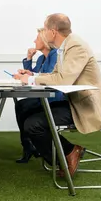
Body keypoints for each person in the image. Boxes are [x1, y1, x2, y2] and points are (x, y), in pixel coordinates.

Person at [15, 13, 101, 177]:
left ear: (53, 31)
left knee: (33, 124)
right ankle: (63, 156)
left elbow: (62, 79)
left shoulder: (76, 46)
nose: (43, 34)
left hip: (87, 106)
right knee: (27, 112)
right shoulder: (65, 46)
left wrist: (30, 78)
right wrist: (31, 77)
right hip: (75, 102)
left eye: (44, 29)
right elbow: (54, 74)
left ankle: (69, 153)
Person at [14, 28, 64, 163]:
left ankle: (29, 146)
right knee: (21, 105)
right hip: (43, 97)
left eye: (37, 38)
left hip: (54, 98)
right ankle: (28, 145)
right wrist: (28, 60)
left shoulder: (55, 55)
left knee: (23, 107)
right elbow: (35, 73)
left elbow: (47, 76)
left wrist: (30, 75)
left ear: (45, 41)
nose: (34, 41)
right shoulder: (42, 58)